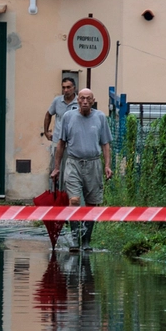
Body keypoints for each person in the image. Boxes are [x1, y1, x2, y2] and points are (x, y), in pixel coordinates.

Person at [50, 87, 112, 251]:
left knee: (92, 204)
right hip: (73, 163)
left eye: (88, 99)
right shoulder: (68, 117)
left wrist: (107, 165)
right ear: (78, 100)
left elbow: (105, 144)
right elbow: (61, 144)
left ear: (93, 101)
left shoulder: (100, 117)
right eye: (82, 98)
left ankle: (86, 242)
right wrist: (56, 168)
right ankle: (75, 240)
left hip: (93, 163)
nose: (85, 101)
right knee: (75, 201)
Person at [42, 77, 79, 178]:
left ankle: (68, 193)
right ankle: (55, 192)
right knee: (55, 168)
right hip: (58, 140)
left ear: (74, 88)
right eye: (64, 88)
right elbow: (48, 114)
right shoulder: (57, 101)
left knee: (71, 171)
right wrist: (46, 131)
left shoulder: (79, 102)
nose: (66, 90)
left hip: (73, 143)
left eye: (68, 87)